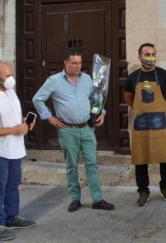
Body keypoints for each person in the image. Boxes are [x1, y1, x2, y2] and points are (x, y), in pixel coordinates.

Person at [32, 49, 114, 213]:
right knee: (71, 165)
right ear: (66, 63)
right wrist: (50, 118)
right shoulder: (54, 81)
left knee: (92, 164)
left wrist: (102, 114)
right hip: (68, 130)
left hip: (87, 128)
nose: (78, 66)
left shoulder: (87, 79)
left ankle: (97, 199)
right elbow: (37, 99)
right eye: (74, 63)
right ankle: (75, 199)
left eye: (80, 63)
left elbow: (96, 99)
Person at [124, 43, 166, 207]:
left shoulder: (164, 75)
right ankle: (143, 191)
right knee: (140, 157)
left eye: (153, 54)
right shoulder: (133, 77)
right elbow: (128, 98)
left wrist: (161, 110)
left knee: (165, 156)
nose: (151, 57)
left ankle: (165, 187)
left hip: (160, 122)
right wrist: (141, 111)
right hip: (141, 123)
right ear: (139, 57)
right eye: (147, 54)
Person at [0, 62, 36, 241]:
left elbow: (12, 117)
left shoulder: (11, 93)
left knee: (13, 185)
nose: (11, 79)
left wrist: (23, 121)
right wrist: (15, 129)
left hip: (15, 150)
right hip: (1, 151)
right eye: (7, 76)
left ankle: (11, 217)